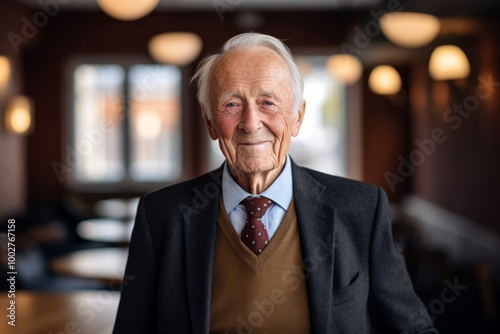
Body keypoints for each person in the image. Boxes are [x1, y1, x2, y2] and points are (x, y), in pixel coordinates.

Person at [113, 32, 437, 333]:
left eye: (268, 102)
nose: (251, 123)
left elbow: (414, 328)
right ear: (210, 122)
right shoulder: (160, 215)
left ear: (297, 117)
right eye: (231, 104)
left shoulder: (362, 209)